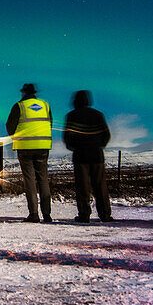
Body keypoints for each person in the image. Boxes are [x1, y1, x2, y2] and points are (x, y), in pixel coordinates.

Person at [62, 90, 113, 223]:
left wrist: (74, 147)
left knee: (83, 187)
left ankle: (84, 214)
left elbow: (67, 138)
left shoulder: (72, 116)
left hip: (80, 156)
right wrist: (98, 145)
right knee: (100, 186)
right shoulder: (98, 115)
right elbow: (106, 135)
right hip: (97, 155)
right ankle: (105, 214)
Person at [7, 83, 53, 223]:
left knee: (30, 181)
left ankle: (33, 213)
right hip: (43, 146)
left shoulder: (19, 106)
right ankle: (47, 214)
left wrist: (16, 137)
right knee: (43, 179)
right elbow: (50, 123)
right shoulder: (45, 106)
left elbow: (10, 126)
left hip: (25, 147)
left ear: (23, 93)